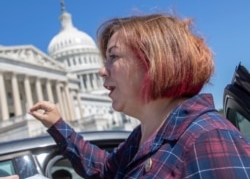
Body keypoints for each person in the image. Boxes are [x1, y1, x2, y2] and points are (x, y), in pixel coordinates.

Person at [29, 12, 250, 178]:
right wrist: (57, 124)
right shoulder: (143, 138)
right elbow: (104, 170)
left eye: (113, 57)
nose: (101, 70)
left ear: (153, 63)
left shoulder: (207, 137)